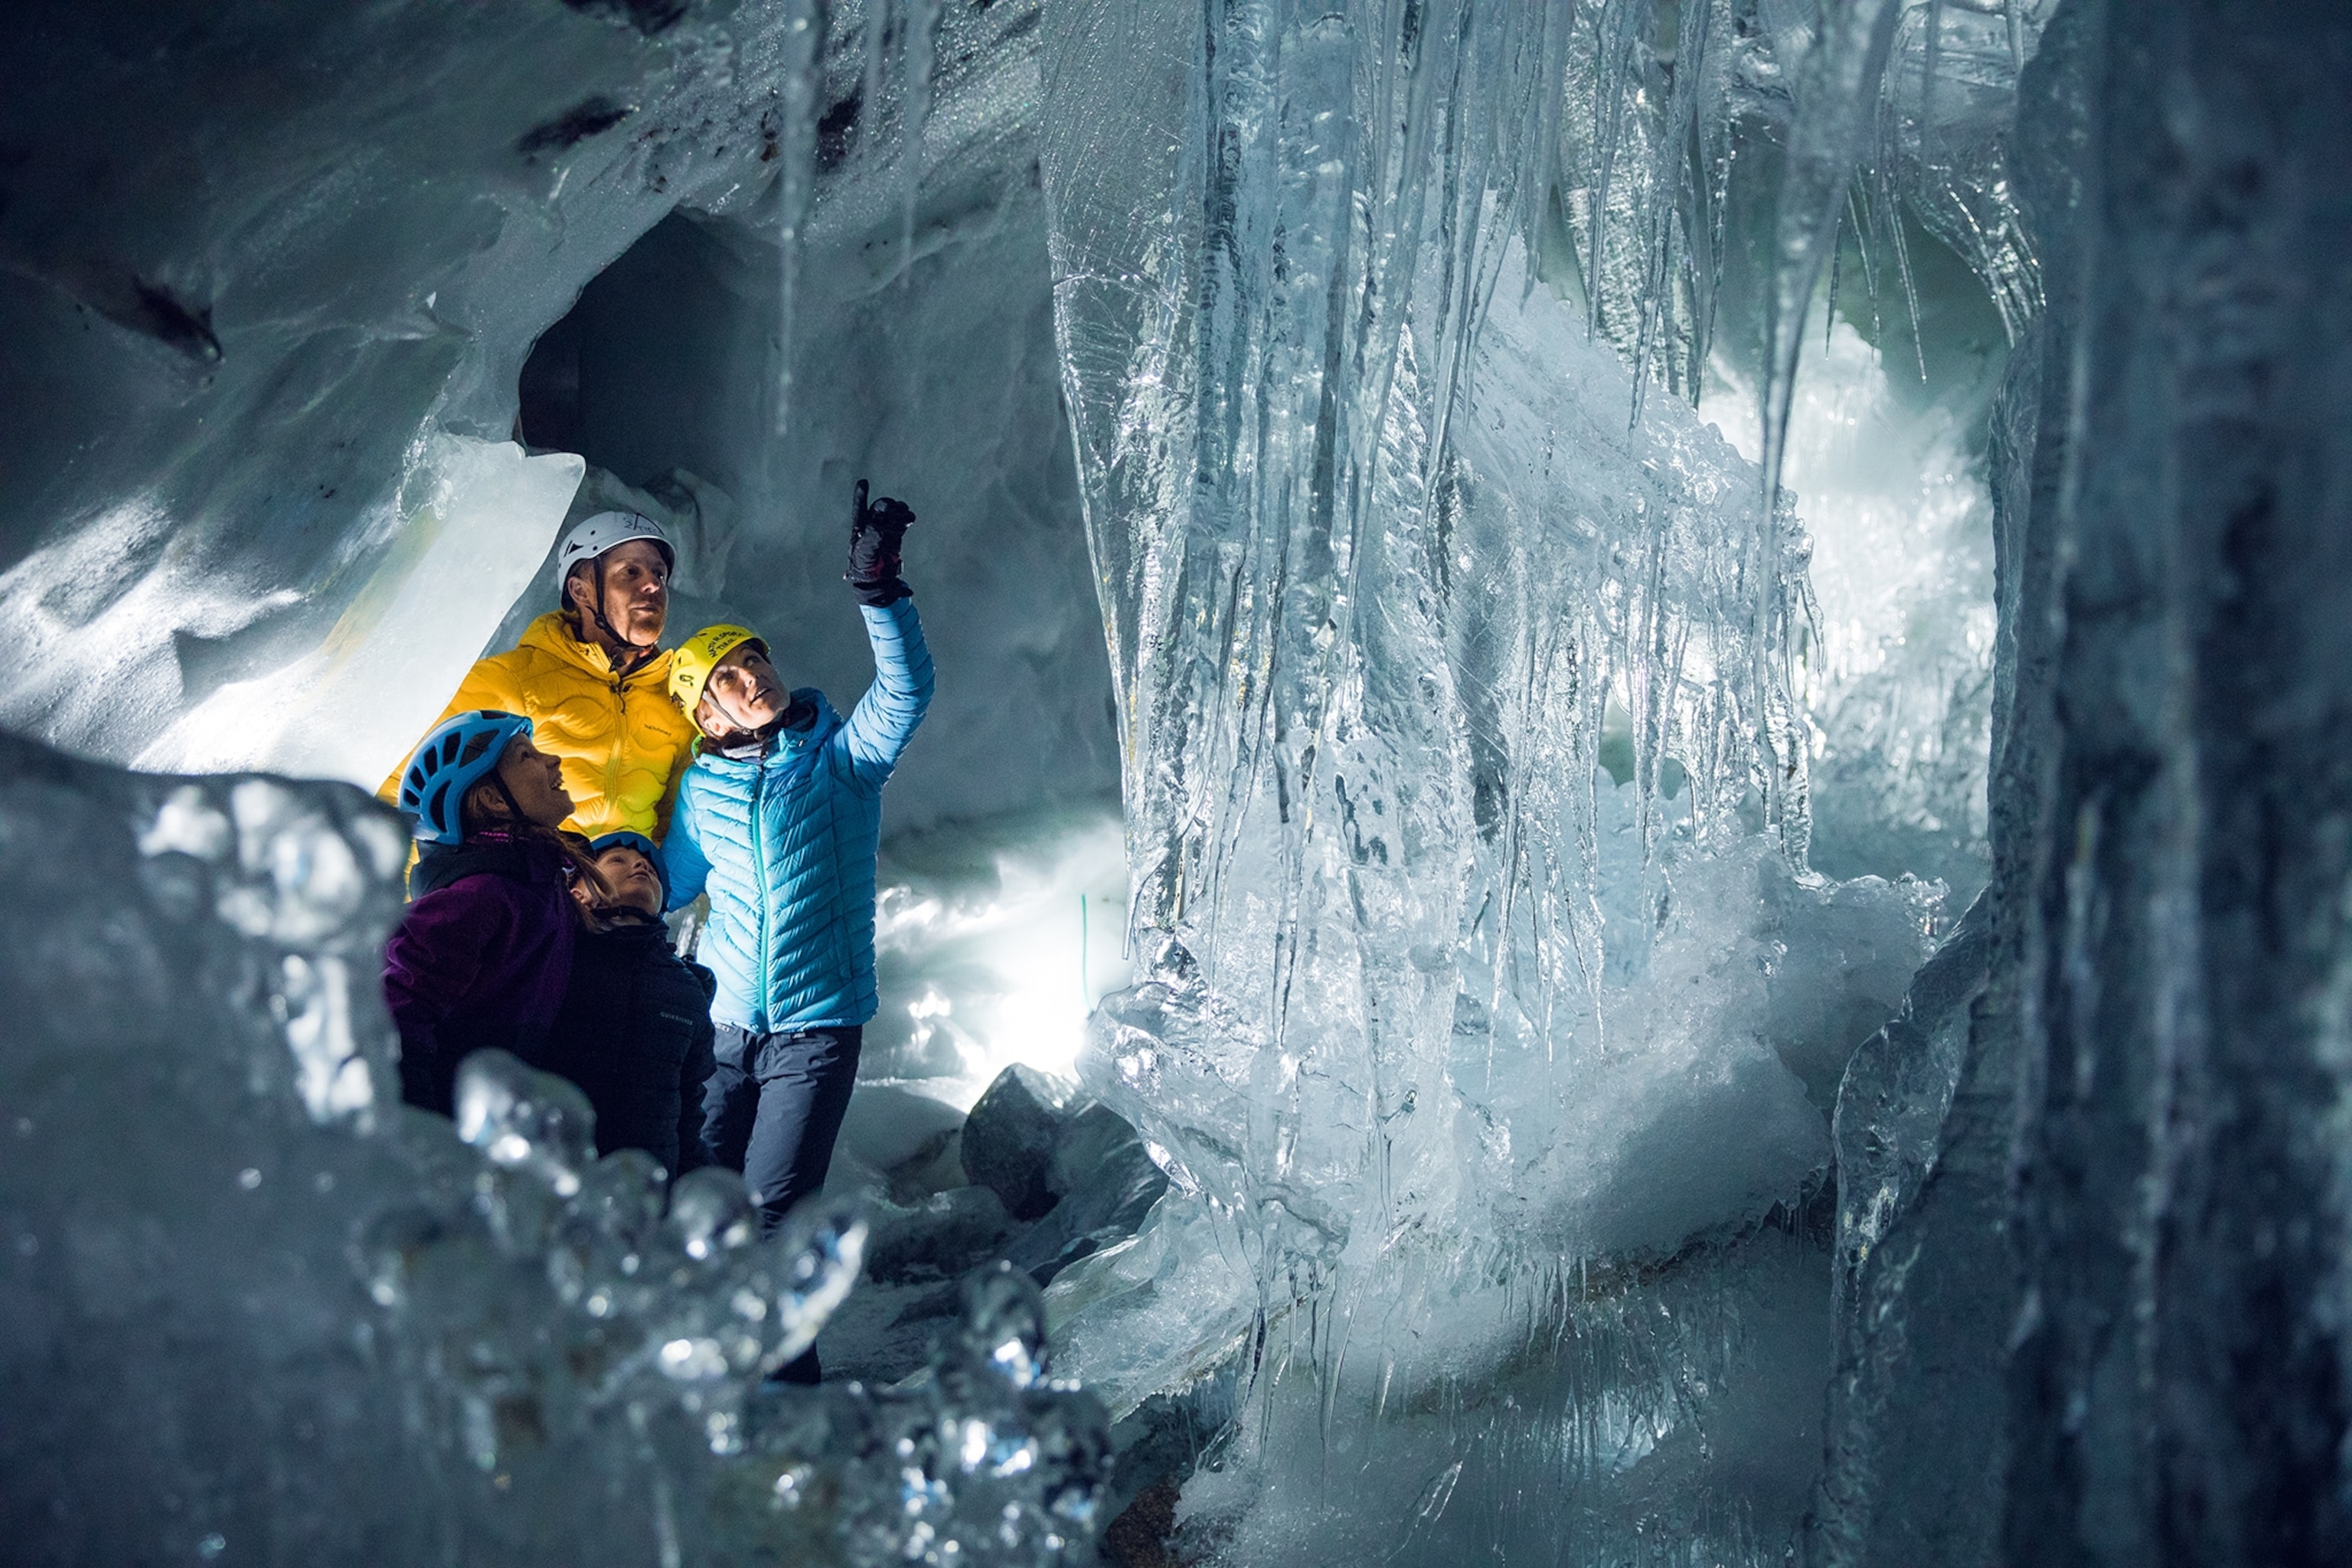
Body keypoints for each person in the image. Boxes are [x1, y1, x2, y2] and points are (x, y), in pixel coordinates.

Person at [662, 482, 932, 1380]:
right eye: (728, 678)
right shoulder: (702, 792)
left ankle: (792, 1417)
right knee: (703, 1213)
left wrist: (878, 591)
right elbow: (665, 884)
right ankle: (725, 1395)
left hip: (816, 1033)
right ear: (708, 715)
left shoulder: (841, 762)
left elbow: (905, 690)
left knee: (775, 1219)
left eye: (754, 659)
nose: (753, 676)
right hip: (725, 1031)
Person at [381, 511, 701, 839]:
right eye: (629, 572)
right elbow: (411, 793)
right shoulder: (510, 682)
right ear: (581, 591)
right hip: (531, 886)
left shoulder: (676, 702)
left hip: (623, 887)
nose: (652, 585)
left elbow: (676, 828)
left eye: (659, 575)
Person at [382, 710, 600, 1116]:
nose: (551, 761)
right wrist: (423, 1132)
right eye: (525, 757)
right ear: (494, 799)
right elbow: (396, 1017)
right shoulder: (477, 898)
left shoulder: (539, 884)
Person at [532, 831, 720, 1178]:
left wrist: (695, 1180)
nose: (639, 865)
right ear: (578, 893)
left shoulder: (687, 989)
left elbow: (689, 1109)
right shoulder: (551, 955)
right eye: (617, 861)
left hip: (643, 1192)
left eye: (648, 866)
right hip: (550, 1177)